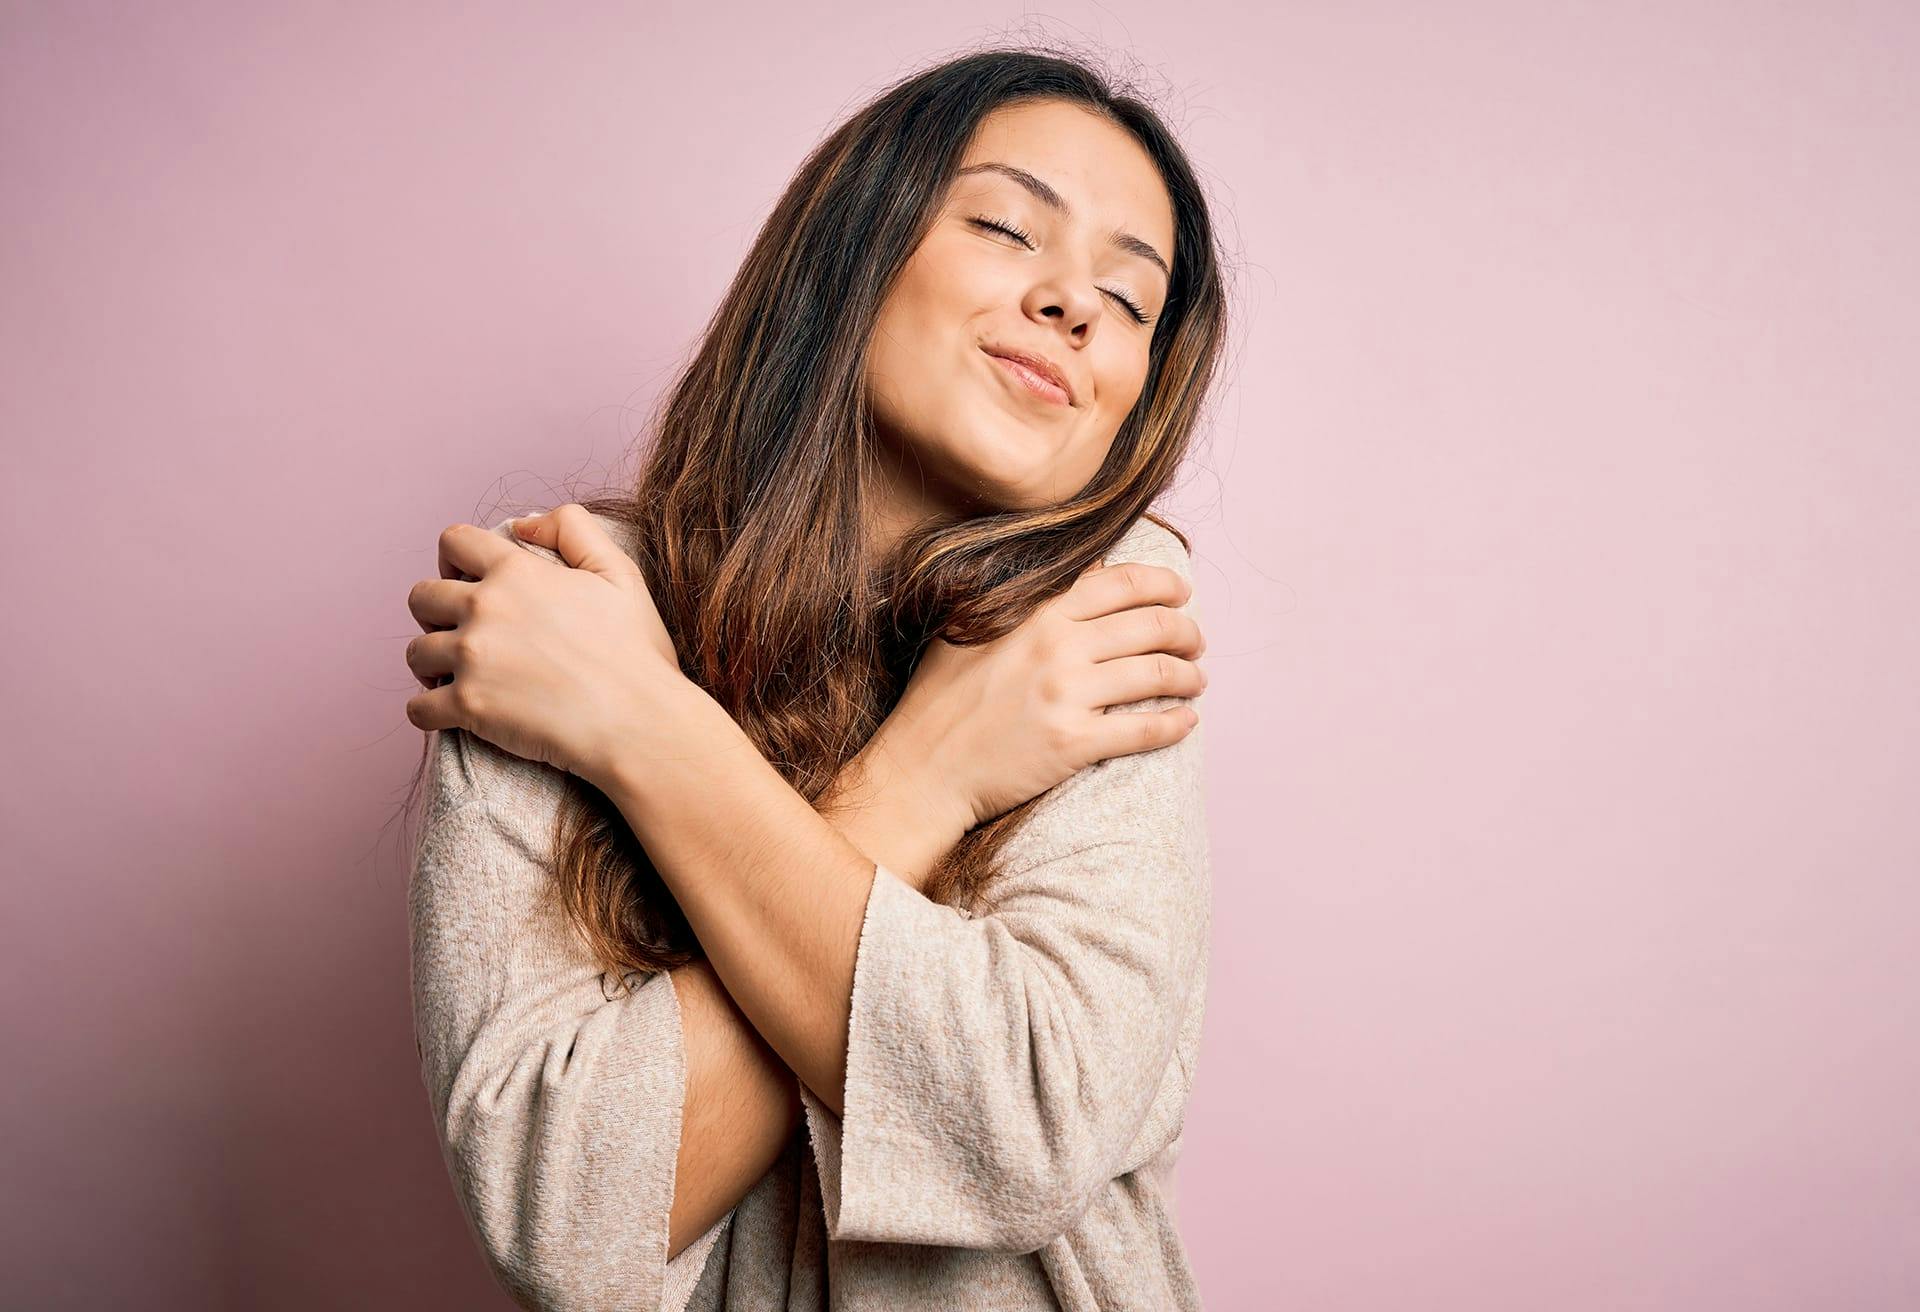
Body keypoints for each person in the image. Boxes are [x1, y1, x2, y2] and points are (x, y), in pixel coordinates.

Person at [401, 44, 1228, 1311]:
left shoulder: (1101, 632)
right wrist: (923, 779)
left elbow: (1020, 1124)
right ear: (856, 246)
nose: (1073, 305)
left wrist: (636, 726)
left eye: (1128, 301)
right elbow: (563, 1209)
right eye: (1009, 226)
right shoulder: (568, 619)